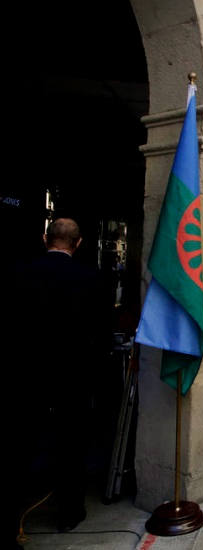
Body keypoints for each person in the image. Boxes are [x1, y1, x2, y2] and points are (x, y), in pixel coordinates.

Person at [8, 218, 111, 538]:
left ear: (44, 238)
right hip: (73, 376)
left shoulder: (16, 274)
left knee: (18, 445)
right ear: (78, 243)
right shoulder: (92, 279)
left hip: (26, 375)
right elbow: (103, 334)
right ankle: (69, 513)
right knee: (70, 446)